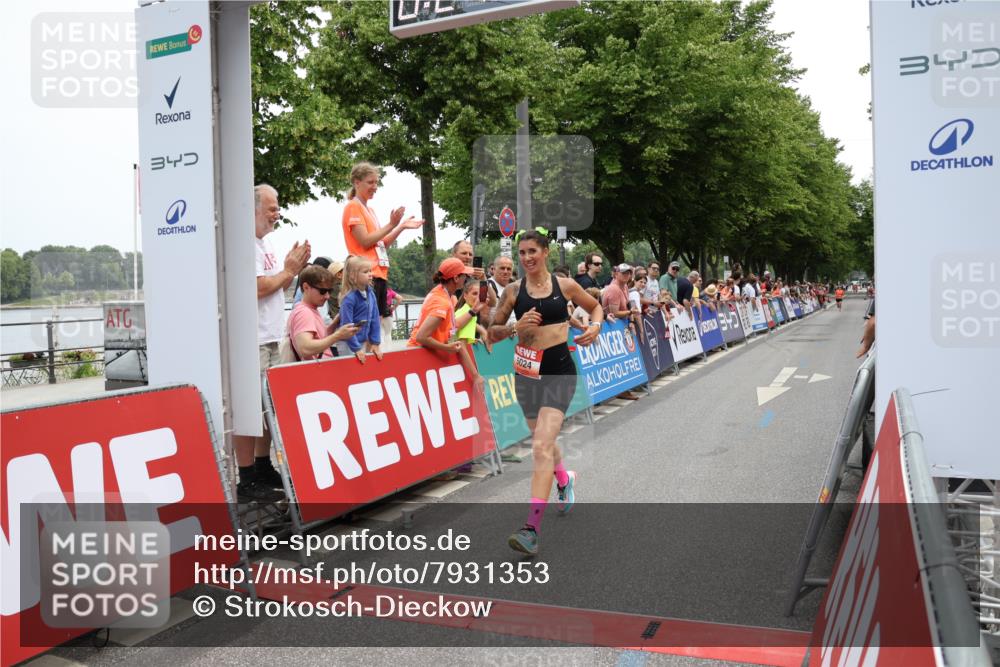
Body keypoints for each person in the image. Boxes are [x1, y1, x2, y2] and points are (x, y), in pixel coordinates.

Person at [486, 229, 602, 556]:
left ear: (546, 252)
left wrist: (594, 328)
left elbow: (595, 308)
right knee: (544, 441)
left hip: (559, 373)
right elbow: (491, 334)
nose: (526, 258)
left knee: (539, 447)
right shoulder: (511, 291)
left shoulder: (565, 286)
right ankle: (564, 480)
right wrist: (514, 327)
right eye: (522, 253)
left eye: (532, 251)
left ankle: (531, 530)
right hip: (526, 375)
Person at [234, 184, 310, 503]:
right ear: (252, 210)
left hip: (270, 336)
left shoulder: (265, 243)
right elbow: (257, 288)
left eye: (277, 206)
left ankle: (263, 466)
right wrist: (290, 270)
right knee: (250, 407)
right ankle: (247, 475)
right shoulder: (244, 243)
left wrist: (291, 270)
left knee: (268, 408)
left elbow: (275, 282)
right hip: (252, 339)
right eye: (270, 207)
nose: (276, 213)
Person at [342, 162, 425, 324]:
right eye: (370, 182)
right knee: (367, 324)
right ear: (357, 182)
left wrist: (400, 227)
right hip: (365, 274)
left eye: (376, 183)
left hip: (379, 274)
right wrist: (391, 224)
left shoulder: (370, 210)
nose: (375, 187)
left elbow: (380, 244)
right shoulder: (353, 207)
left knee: (379, 324)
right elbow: (365, 241)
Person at [407, 258, 484, 388]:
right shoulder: (442, 303)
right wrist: (447, 348)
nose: (466, 278)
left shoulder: (441, 291)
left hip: (424, 356)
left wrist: (474, 310)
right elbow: (421, 337)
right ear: (455, 278)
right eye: (464, 275)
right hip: (418, 356)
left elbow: (453, 331)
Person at [287, 265, 359, 361]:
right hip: (317, 372)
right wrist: (338, 336)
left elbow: (319, 338)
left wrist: (334, 324)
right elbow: (305, 348)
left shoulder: (309, 310)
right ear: (306, 287)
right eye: (323, 291)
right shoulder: (304, 313)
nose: (327, 296)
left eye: (329, 291)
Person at [339, 256, 383, 364]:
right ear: (353, 276)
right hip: (347, 344)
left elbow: (375, 319)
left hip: (362, 342)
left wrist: (375, 343)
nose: (370, 274)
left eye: (370, 270)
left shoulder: (371, 294)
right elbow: (346, 325)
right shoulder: (349, 299)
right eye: (365, 272)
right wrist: (356, 348)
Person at [455, 281, 491, 350]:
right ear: (465, 296)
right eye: (475, 294)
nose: (478, 298)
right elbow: (462, 347)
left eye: (480, 295)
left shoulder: (467, 311)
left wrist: (472, 340)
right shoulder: (469, 315)